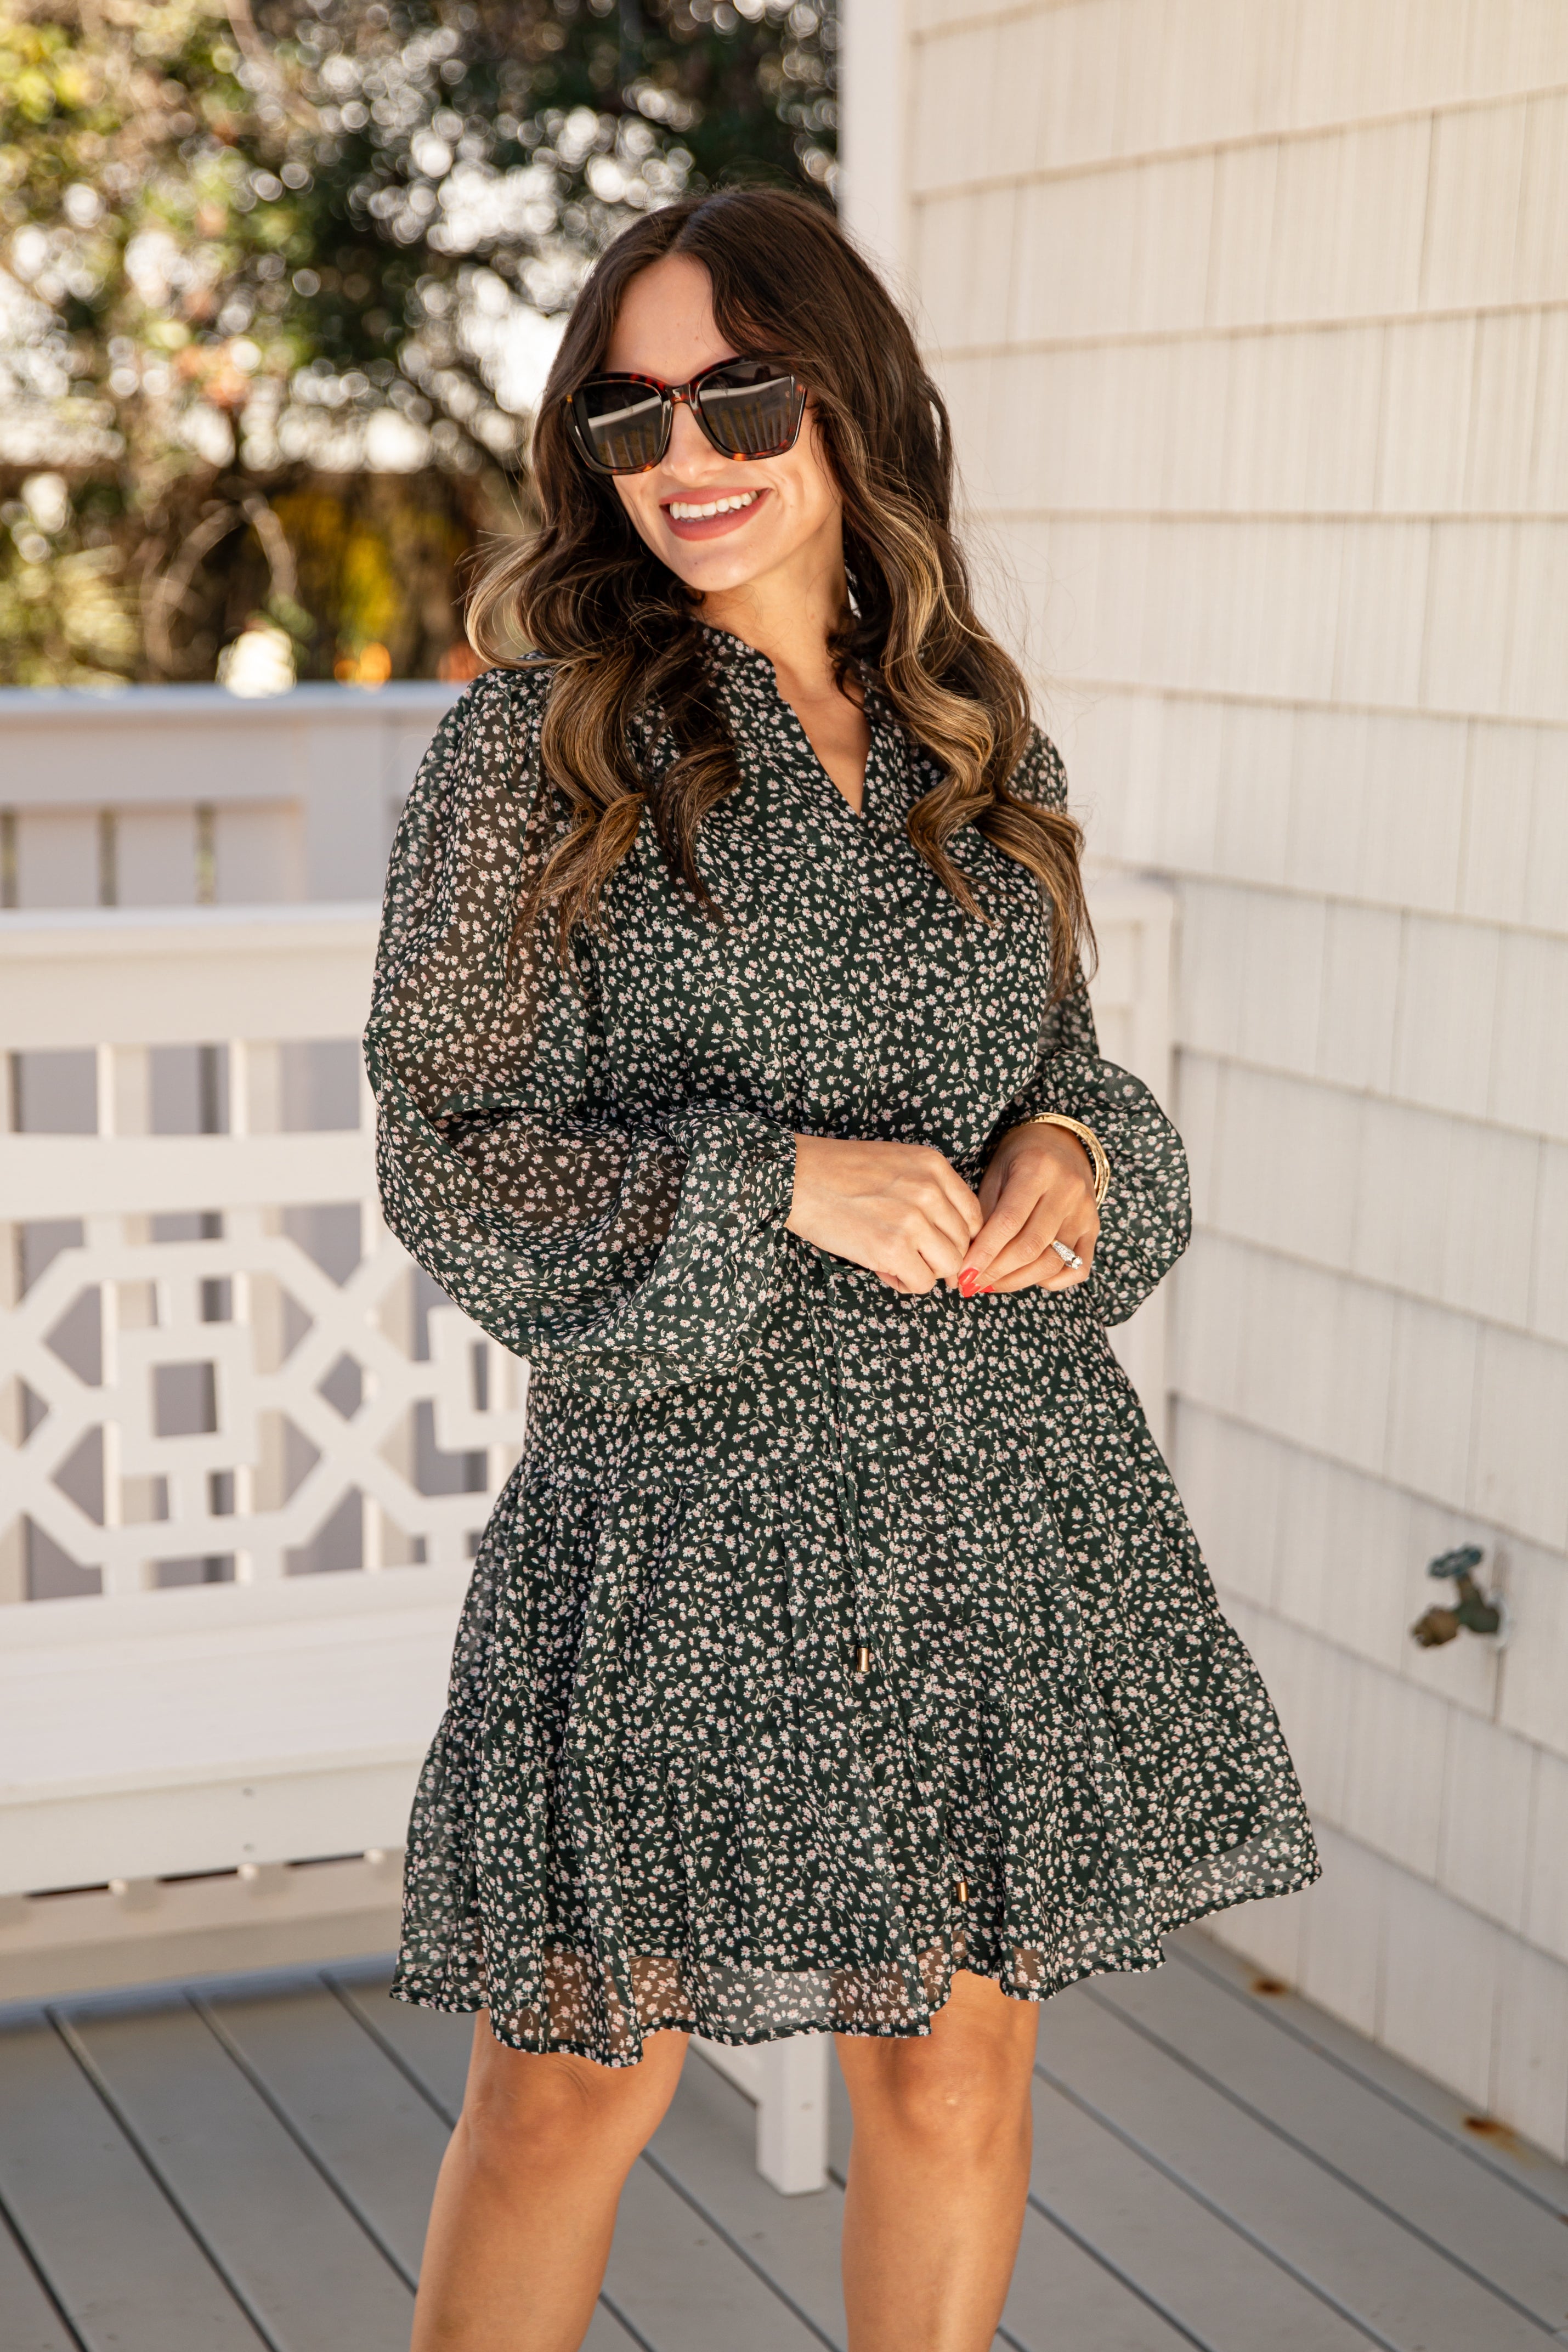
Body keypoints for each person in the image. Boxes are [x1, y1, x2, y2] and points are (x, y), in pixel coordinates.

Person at [365, 185, 1319, 2352]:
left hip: (995, 1507)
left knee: (954, 2066)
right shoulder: (538, 752)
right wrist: (771, 1177)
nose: (685, 454)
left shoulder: (973, 735)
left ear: (847, 399)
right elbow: (448, 1140)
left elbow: (1057, 1061)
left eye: (738, 392)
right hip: (690, 1528)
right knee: (560, 2090)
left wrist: (1079, 1148)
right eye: (628, 414)